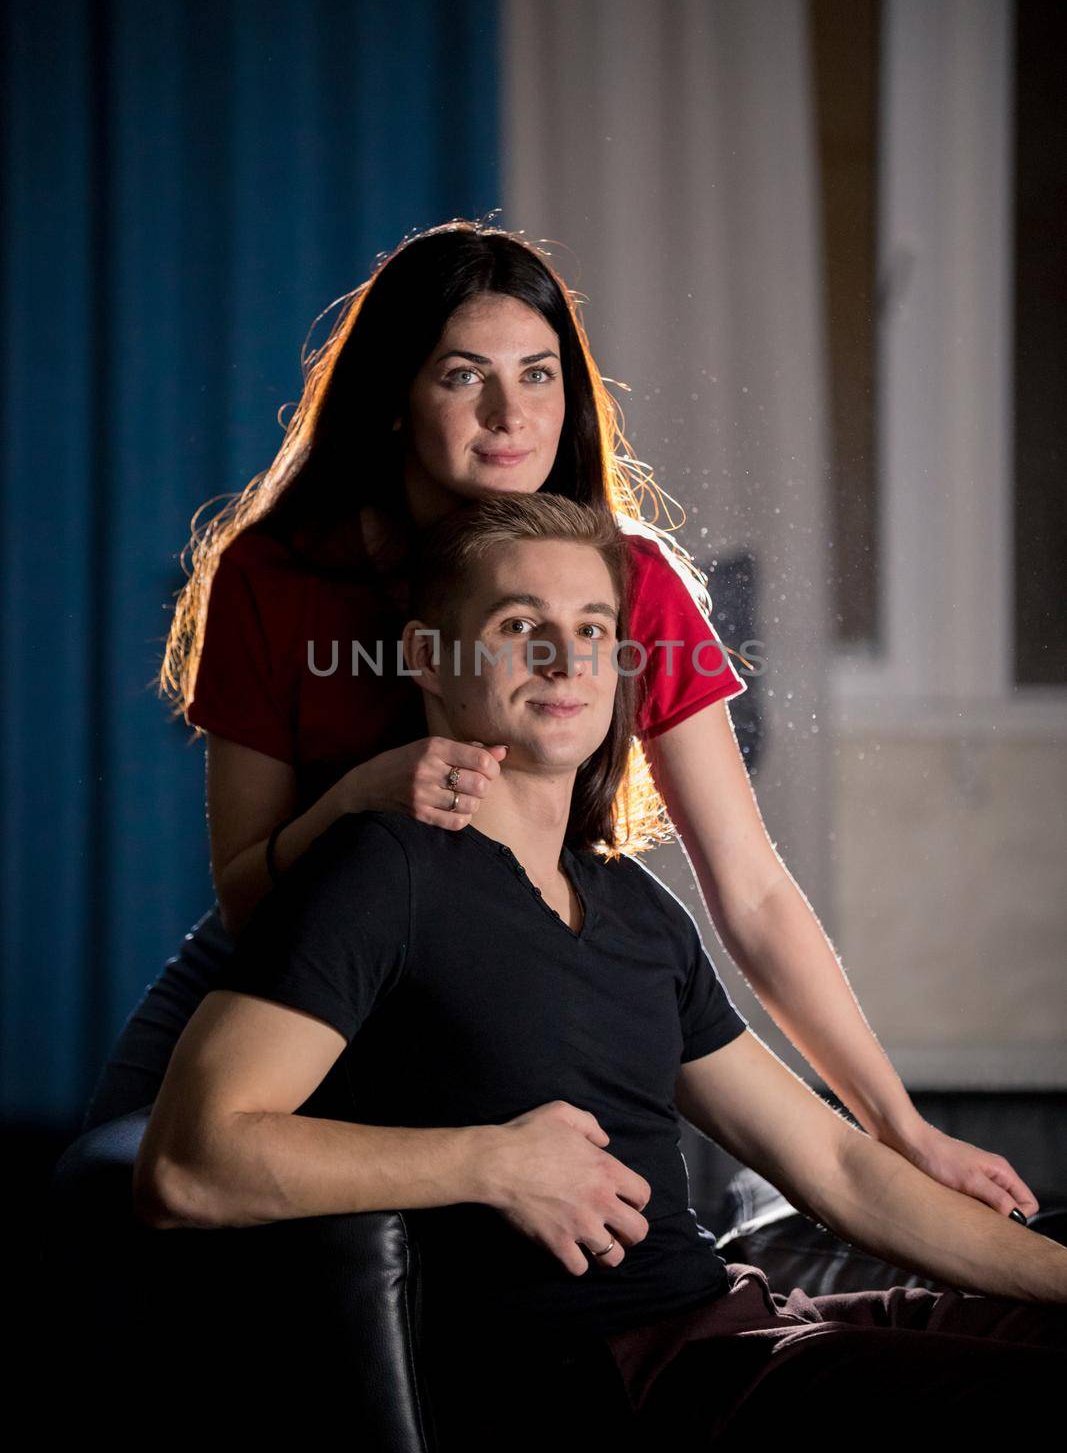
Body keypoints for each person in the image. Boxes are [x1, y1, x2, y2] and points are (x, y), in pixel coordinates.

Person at [84, 218, 1037, 1233]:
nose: (509, 414)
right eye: (462, 376)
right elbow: (243, 893)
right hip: (286, 976)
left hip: (490, 976)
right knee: (110, 1223)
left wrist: (896, 1125)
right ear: (395, 399)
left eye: (538, 375)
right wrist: (362, 793)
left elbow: (751, 889)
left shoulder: (632, 582)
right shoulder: (277, 576)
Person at [134, 494, 1065, 1447]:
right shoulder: (384, 872)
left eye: (592, 629)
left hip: (742, 1323)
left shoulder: (634, 909)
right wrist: (489, 1162)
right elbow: (187, 1164)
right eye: (517, 626)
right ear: (427, 659)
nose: (566, 658)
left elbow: (833, 1165)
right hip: (630, 1378)